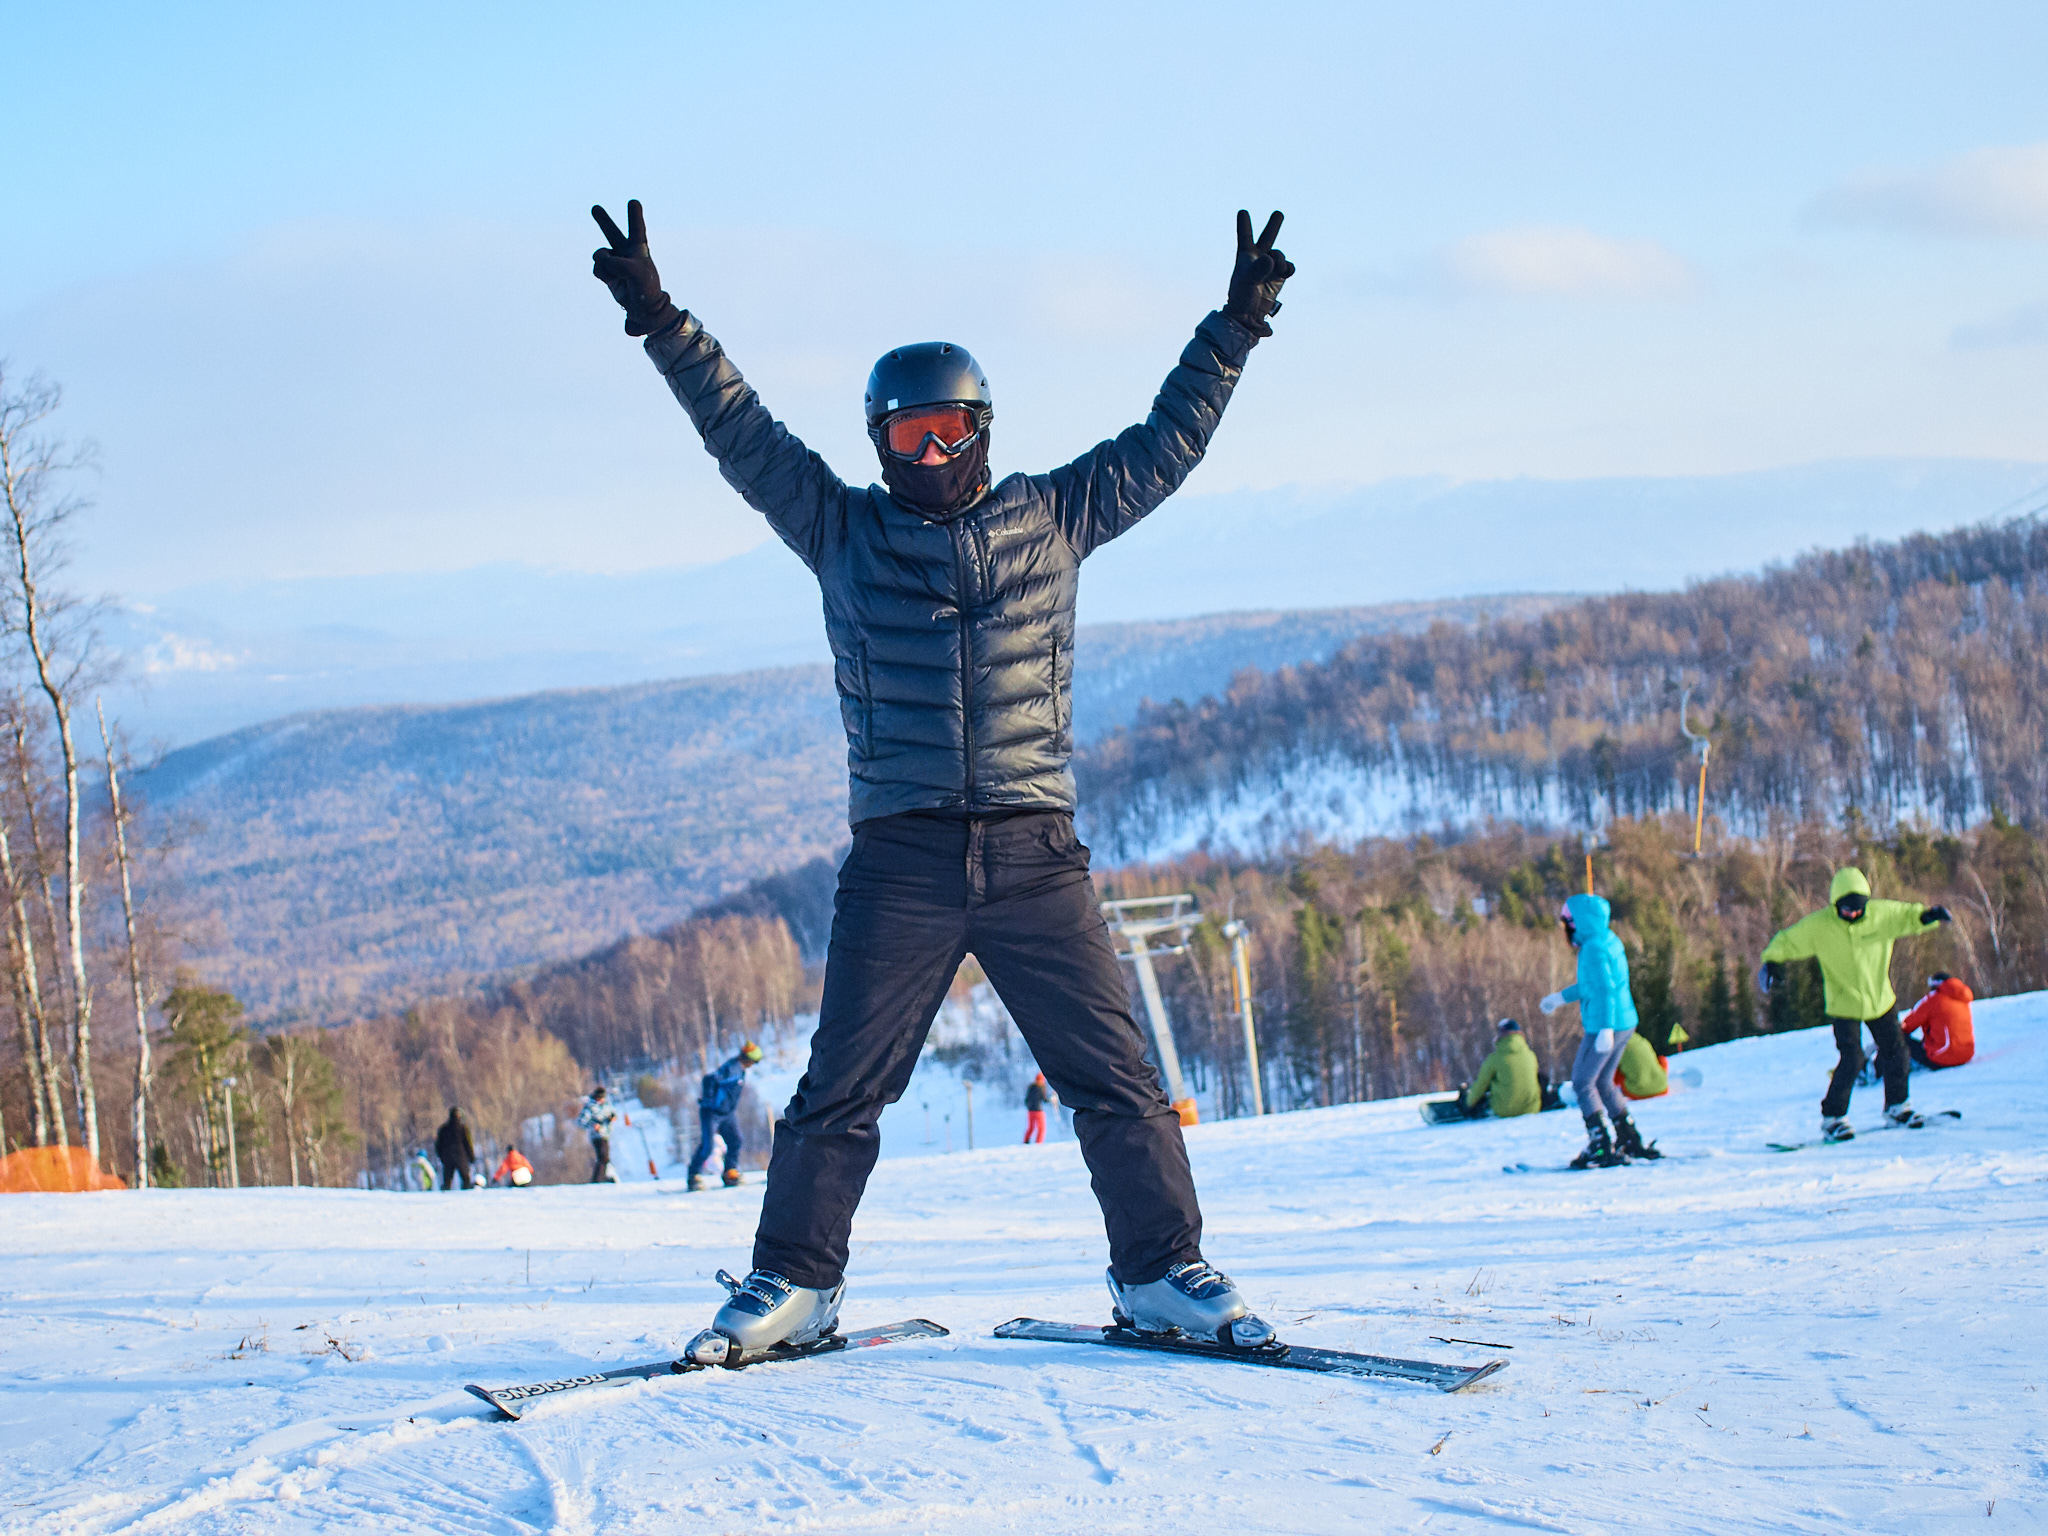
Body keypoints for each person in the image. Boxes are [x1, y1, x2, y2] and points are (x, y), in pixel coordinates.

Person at [591, 199, 1293, 1364]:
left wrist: (1232, 328)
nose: (927, 455)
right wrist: (661, 319)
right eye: (905, 436)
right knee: (840, 1092)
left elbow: (1166, 441)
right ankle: (794, 1287)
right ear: (877, 442)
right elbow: (740, 431)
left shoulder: (1056, 514)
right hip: (903, 858)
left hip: (1032, 852)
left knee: (1114, 1079)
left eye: (946, 431)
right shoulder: (840, 530)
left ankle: (1162, 1274)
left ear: (978, 429)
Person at [1759, 867, 1951, 1142]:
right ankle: (1833, 1118)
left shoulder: (1880, 915)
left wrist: (1928, 916)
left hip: (1879, 998)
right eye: (1846, 910)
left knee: (1896, 1052)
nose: (1852, 914)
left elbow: (1908, 916)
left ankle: (1898, 1107)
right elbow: (1788, 941)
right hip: (1844, 1003)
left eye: (1857, 909)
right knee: (1852, 1059)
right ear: (1835, 905)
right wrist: (1773, 961)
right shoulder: (1821, 926)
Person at [1540, 893, 1659, 1166]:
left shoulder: (1593, 949)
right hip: (1624, 1021)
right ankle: (1628, 1137)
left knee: (1583, 1082)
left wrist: (1605, 1028)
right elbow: (1592, 985)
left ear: (1577, 922)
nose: (1565, 931)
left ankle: (1600, 1144)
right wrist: (1560, 997)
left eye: (1566, 923)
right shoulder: (1606, 939)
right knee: (1603, 1082)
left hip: (1607, 1024)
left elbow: (1605, 990)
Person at [690, 1042, 764, 1191]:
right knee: (707, 1146)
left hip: (727, 1114)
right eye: (753, 1062)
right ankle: (693, 1176)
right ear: (748, 1059)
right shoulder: (733, 1068)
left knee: (735, 1140)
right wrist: (709, 1100)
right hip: (712, 1113)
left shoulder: (739, 1069)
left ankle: (730, 1172)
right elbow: (709, 1079)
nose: (752, 1065)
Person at [1460, 1019, 1542, 1118]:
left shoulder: (1495, 1059)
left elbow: (1481, 1085)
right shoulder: (1531, 1055)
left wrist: (1467, 1103)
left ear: (1501, 1034)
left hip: (1504, 1110)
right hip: (1532, 1109)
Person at [1902, 973, 1974, 1070]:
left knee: (1900, 1038)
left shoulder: (1933, 999)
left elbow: (1908, 1025)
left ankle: (1882, 1071)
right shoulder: (1962, 998)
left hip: (1943, 1056)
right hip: (1966, 1055)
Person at [577, 1086, 620, 1183]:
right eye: (599, 1098)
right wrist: (593, 1125)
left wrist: (613, 1117)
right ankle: (597, 1179)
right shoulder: (590, 1106)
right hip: (596, 1135)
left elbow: (613, 1113)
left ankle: (603, 1177)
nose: (601, 1100)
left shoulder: (607, 1104)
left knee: (605, 1158)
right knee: (602, 1157)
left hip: (606, 1134)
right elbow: (580, 1122)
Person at [434, 1106, 476, 1190]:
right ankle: (467, 1198)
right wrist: (471, 1157)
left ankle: (445, 1199)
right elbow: (468, 1143)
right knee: (466, 1180)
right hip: (461, 1156)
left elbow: (438, 1145)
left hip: (447, 1157)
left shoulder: (443, 1129)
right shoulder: (463, 1128)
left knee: (447, 1181)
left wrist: (441, 1156)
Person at [1023, 1071, 1056, 1142]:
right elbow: (1044, 1099)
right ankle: (1039, 1142)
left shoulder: (1031, 1087)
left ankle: (1026, 1141)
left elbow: (1026, 1100)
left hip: (1030, 1111)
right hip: (1038, 1111)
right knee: (1041, 1128)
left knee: (1031, 1127)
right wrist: (1051, 1099)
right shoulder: (1041, 1087)